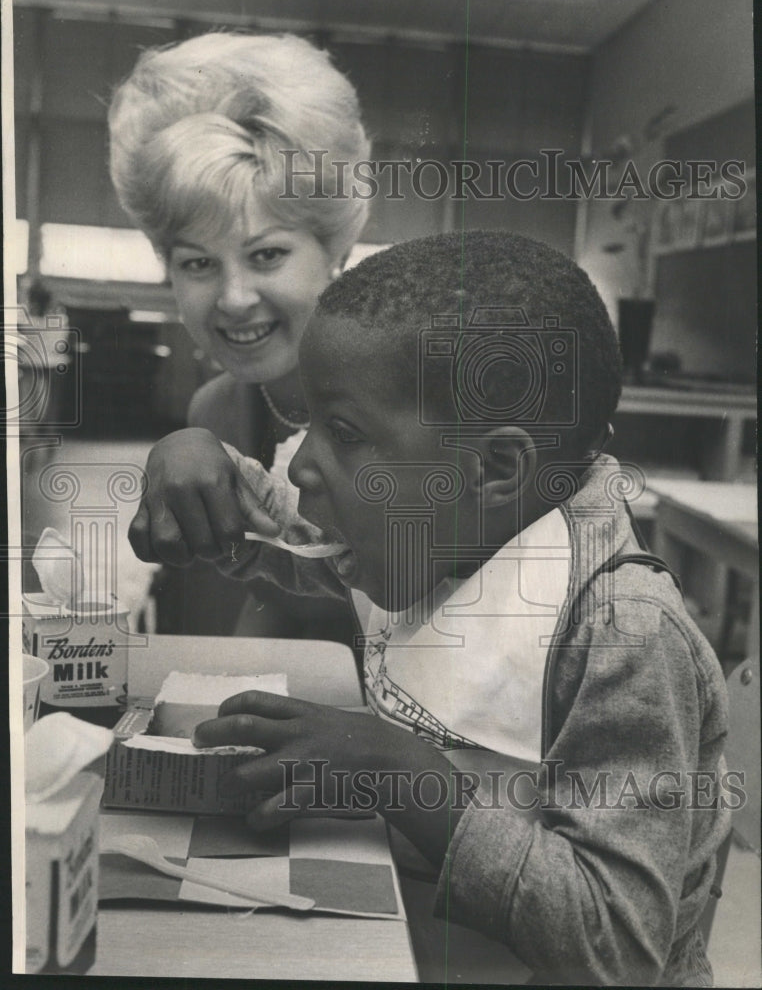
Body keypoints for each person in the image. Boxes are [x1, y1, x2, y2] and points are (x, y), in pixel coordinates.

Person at [187, 232, 730, 985]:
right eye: (307, 422)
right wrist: (195, 466)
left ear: (496, 470)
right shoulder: (447, 527)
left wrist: (401, 774)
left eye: (342, 433)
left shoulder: (620, 634)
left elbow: (616, 946)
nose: (305, 463)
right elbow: (317, 565)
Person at [108, 30, 370, 641]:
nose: (233, 298)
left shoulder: (413, 389)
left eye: (267, 254)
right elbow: (275, 606)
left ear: (336, 247)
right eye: (199, 263)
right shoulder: (215, 410)